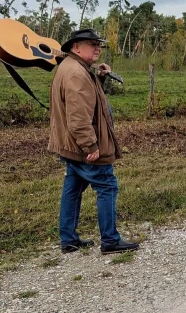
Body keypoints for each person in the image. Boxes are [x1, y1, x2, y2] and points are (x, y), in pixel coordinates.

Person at [47, 28, 139, 255]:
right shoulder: (77, 73)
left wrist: (99, 77)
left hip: (70, 144)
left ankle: (68, 239)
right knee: (107, 186)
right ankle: (110, 240)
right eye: (92, 44)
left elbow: (85, 99)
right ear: (76, 47)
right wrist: (91, 146)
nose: (98, 48)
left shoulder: (73, 67)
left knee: (73, 189)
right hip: (82, 146)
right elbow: (78, 117)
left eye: (99, 44)